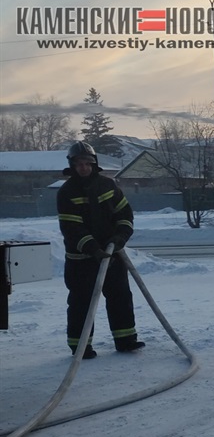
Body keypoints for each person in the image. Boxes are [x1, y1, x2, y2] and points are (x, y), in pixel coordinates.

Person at [57, 141, 145, 359]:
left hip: (112, 254)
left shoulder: (107, 185)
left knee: (120, 296)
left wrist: (119, 237)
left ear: (94, 164)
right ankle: (81, 347)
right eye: (79, 164)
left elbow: (125, 214)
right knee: (81, 302)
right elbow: (72, 228)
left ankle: (126, 340)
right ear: (72, 165)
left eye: (88, 163)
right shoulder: (67, 192)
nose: (84, 167)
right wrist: (94, 249)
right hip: (81, 260)